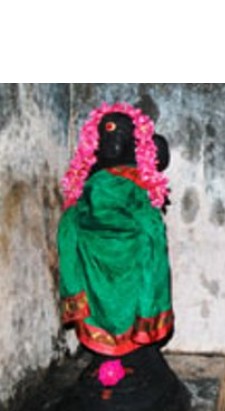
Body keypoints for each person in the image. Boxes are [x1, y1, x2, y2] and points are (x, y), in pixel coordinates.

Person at [58, 103, 173, 357]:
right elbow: (150, 225)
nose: (113, 142)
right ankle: (114, 360)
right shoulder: (94, 181)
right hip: (96, 259)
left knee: (125, 307)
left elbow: (149, 223)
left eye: (120, 135)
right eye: (108, 135)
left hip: (126, 259)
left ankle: (126, 360)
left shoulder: (132, 181)